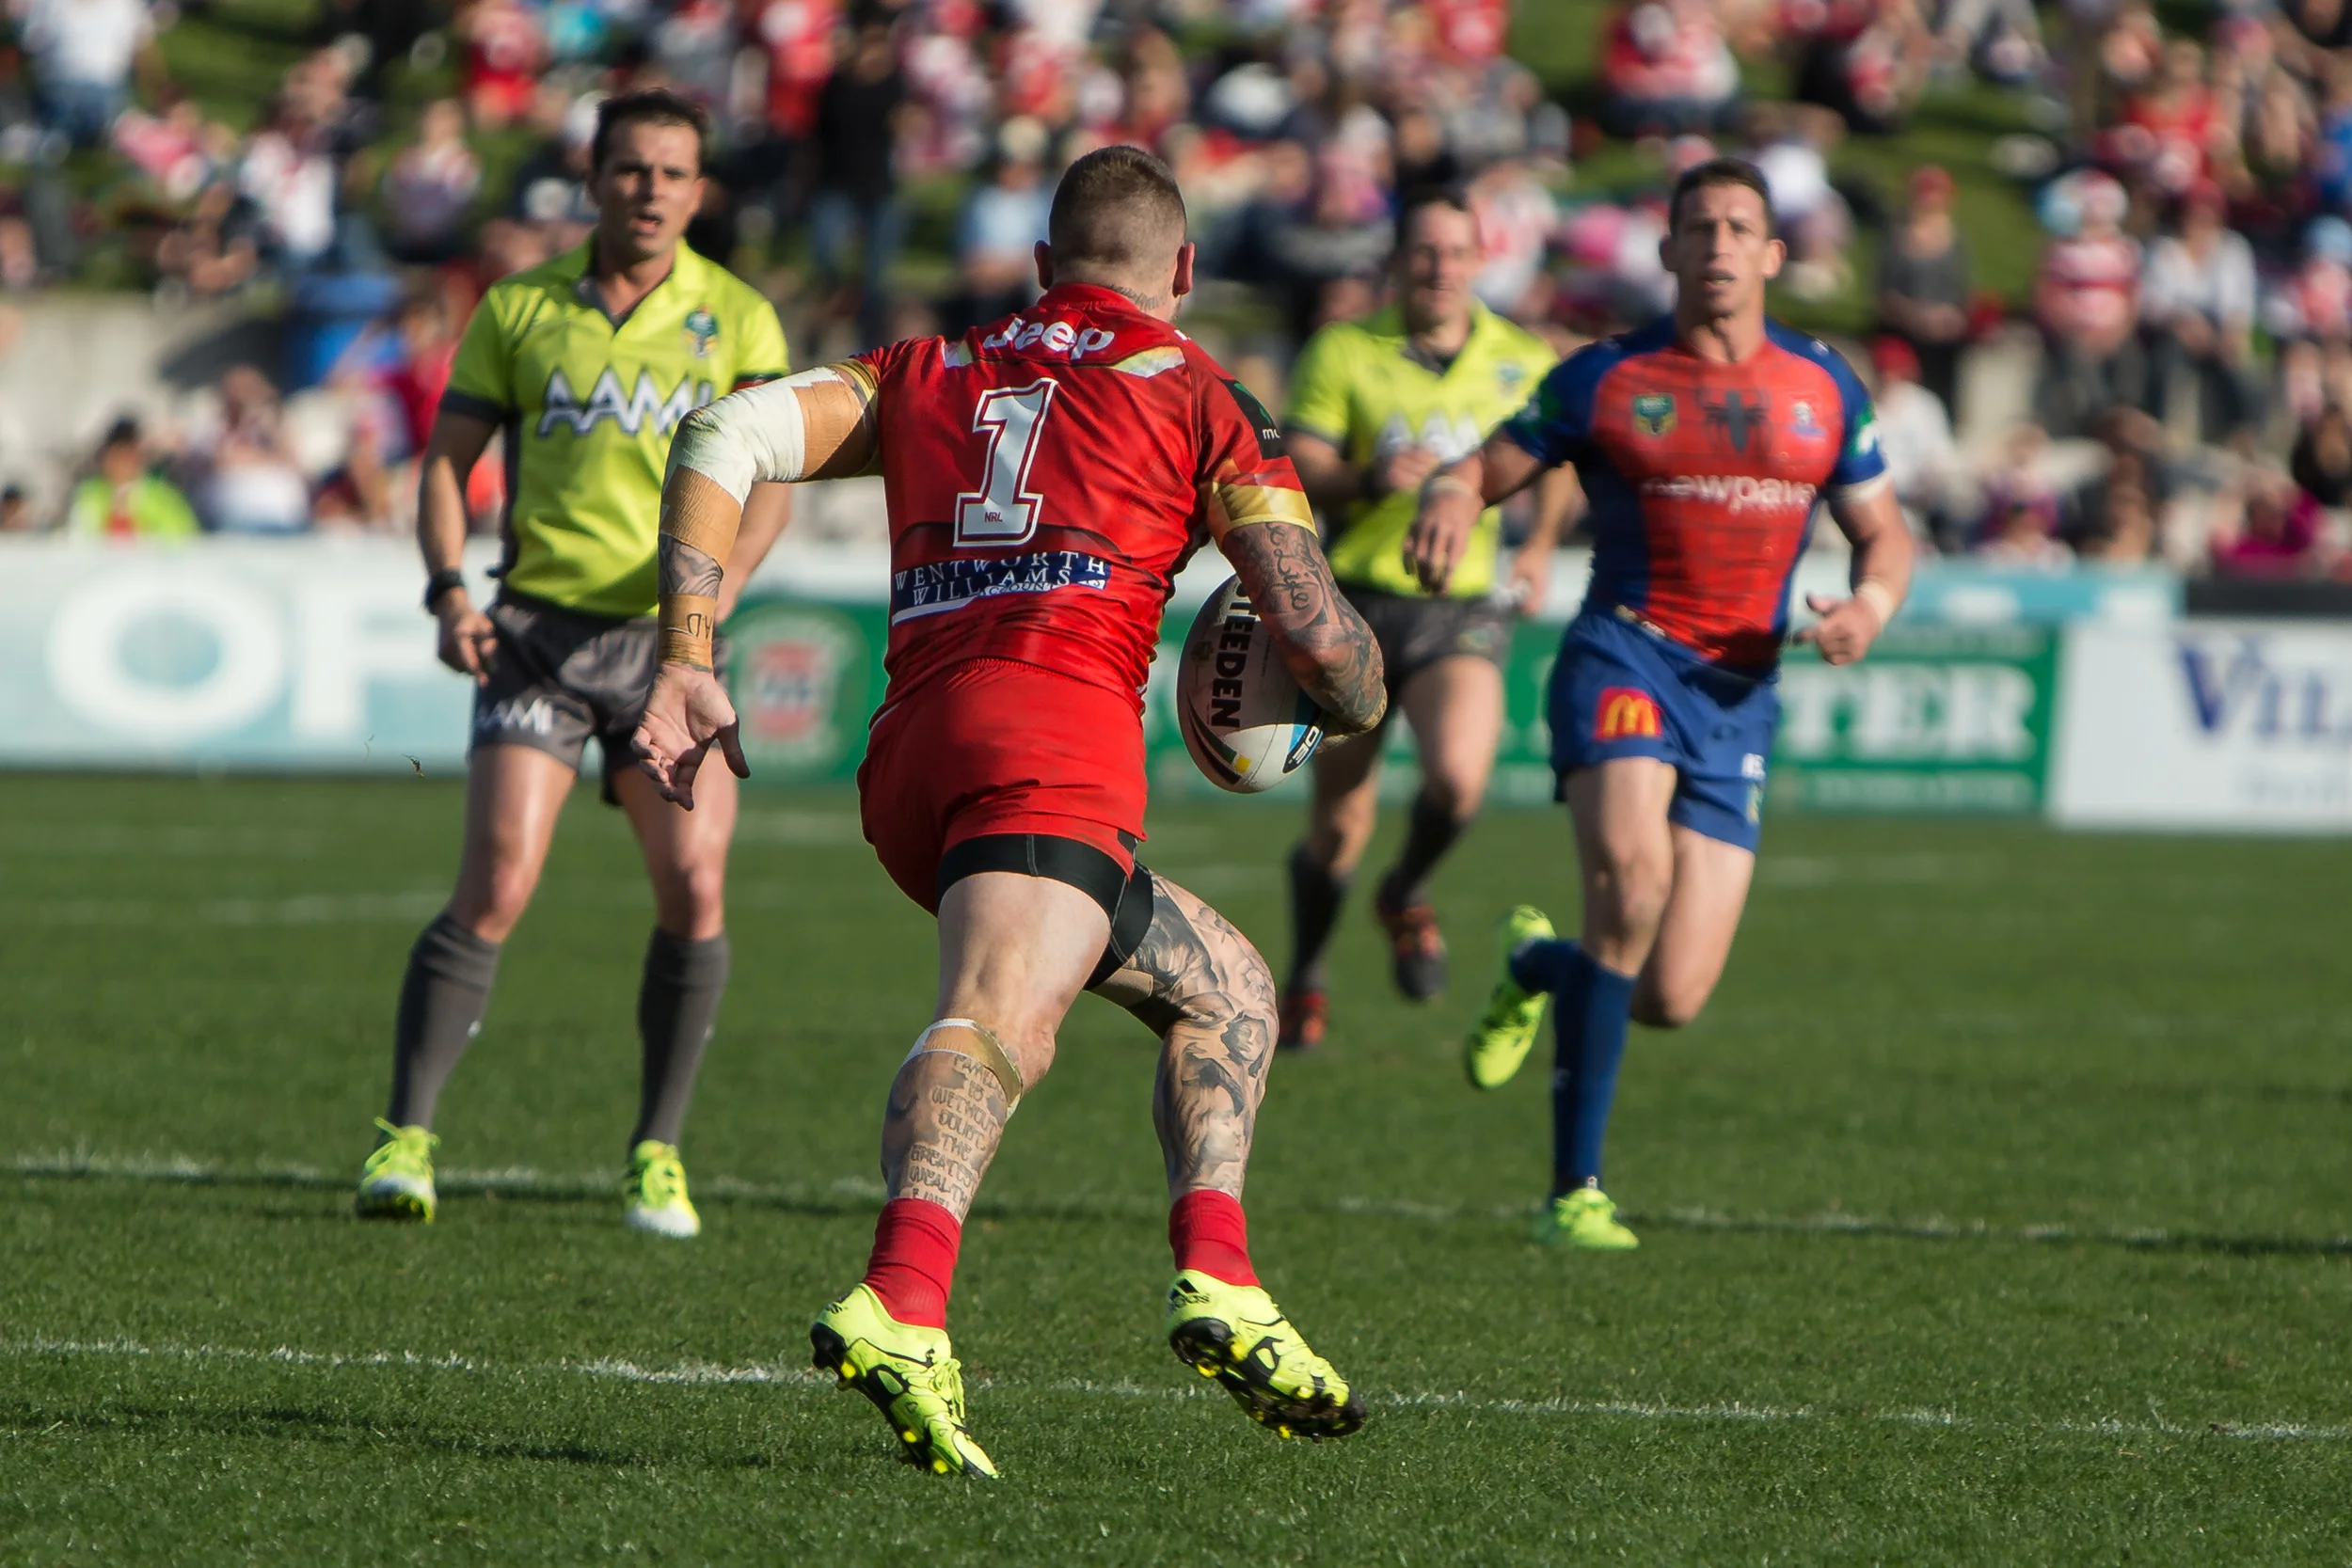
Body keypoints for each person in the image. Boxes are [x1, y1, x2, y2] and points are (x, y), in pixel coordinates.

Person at [632, 146, 1386, 1477]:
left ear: (1045, 264)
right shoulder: (1203, 392)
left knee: (1228, 991)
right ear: (1185, 269)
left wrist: (688, 650)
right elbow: (1319, 646)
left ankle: (1221, 1276)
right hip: (1052, 733)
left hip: (914, 757)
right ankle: (901, 1298)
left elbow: (721, 432)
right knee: (999, 1018)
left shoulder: (928, 367)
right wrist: (1360, 688)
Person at [1415, 159, 1913, 1250]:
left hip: (1739, 695)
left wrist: (1869, 607)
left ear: (1773, 254)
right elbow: (1482, 466)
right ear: (1668, 251)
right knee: (1630, 888)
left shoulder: (1823, 387)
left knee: (1669, 994)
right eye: (1699, 227)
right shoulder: (1607, 375)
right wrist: (1450, 494)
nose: (1718, 244)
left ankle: (1535, 966)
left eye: (1739, 226)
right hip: (1623, 658)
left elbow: (1884, 533)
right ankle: (1572, 1192)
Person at [351, 89, 794, 1239]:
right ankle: (406, 1136)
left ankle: (657, 1151)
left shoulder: (741, 317)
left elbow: (773, 483)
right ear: (592, 180)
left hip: (670, 649)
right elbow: (446, 461)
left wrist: (715, 599)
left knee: (693, 885)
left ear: (699, 192)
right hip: (537, 635)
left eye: (673, 172)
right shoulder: (518, 306)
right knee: (497, 881)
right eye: (631, 168)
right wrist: (448, 589)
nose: (651, 189)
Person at [1276, 186, 1573, 1050]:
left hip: (1461, 604)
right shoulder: (1345, 348)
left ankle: (1405, 888)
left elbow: (1557, 460)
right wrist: (1370, 477)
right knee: (1338, 823)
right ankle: (1308, 969)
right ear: (1398, 261)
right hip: (1354, 604)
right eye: (1424, 251)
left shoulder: (1523, 359)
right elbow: (1300, 463)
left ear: (1481, 260)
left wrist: (1540, 543)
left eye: (1456, 252)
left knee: (1458, 781)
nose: (1441, 268)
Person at [64, 416, 199, 539]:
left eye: (128, 455)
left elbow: (183, 536)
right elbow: (81, 533)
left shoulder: (163, 496)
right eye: (117, 456)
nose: (122, 463)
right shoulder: (90, 493)